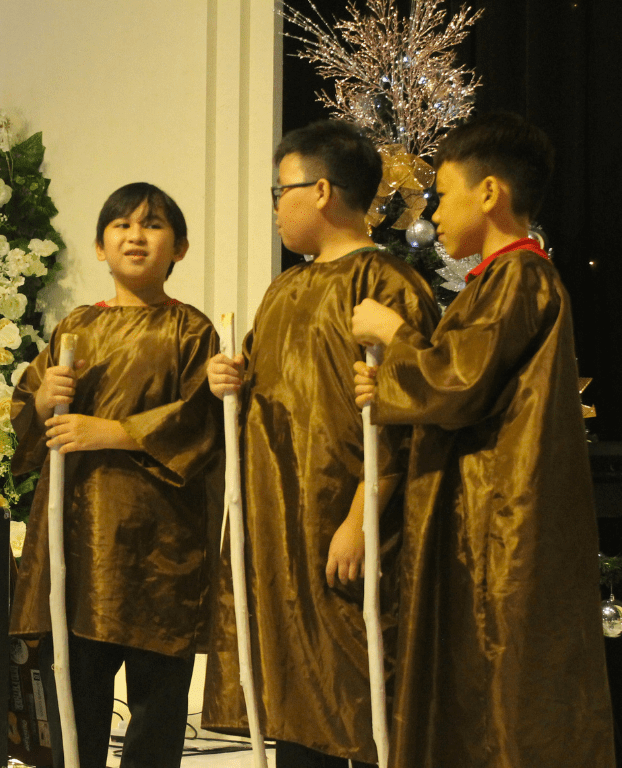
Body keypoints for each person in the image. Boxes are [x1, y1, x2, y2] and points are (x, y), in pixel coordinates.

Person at [351, 111, 614, 767]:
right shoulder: (495, 283)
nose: (434, 217)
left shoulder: (521, 277)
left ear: (490, 192)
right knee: (477, 691)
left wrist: (395, 339)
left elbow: (458, 382)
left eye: (443, 194)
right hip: (480, 518)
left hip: (503, 527)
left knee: (503, 694)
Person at [200, 120, 440, 768]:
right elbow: (269, 386)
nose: (276, 206)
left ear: (323, 190)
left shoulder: (388, 286)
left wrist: (364, 512)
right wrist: (231, 378)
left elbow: (414, 412)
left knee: (358, 710)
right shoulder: (284, 288)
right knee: (296, 716)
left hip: (347, 533)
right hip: (283, 537)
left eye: (282, 189)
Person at [9, 182, 222, 768]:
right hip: (81, 546)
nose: (135, 235)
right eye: (121, 225)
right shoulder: (76, 328)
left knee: (157, 702)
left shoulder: (192, 331)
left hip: (161, 549)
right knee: (76, 698)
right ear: (100, 247)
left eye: (153, 225)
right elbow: (26, 420)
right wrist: (44, 397)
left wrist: (113, 432)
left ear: (179, 248)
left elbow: (201, 422)